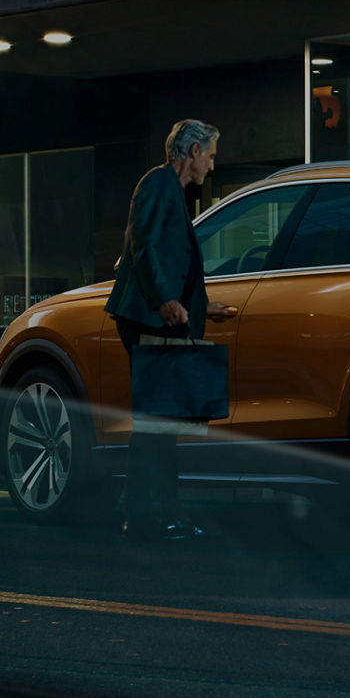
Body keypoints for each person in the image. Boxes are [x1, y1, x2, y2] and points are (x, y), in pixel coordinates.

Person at [105, 119, 226, 540]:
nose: (211, 166)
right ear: (193, 153)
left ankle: (150, 515)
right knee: (157, 424)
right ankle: (147, 518)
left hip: (157, 315)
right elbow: (145, 243)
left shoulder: (171, 191)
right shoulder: (157, 184)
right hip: (147, 317)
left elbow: (169, 256)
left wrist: (200, 304)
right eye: (210, 156)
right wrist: (166, 301)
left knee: (159, 424)